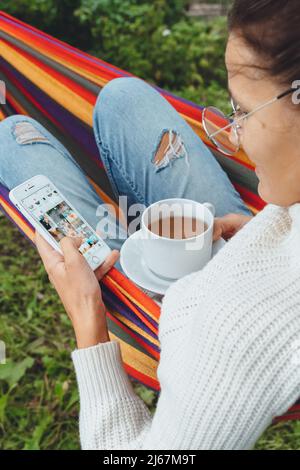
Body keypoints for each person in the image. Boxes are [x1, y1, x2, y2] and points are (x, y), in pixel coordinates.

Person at [0, 0, 299, 450]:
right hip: (236, 249)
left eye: (241, 111)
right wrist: (263, 229)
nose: (233, 136)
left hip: (171, 314)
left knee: (12, 141)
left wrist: (88, 320)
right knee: (125, 98)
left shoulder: (244, 336)